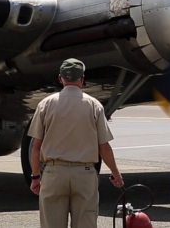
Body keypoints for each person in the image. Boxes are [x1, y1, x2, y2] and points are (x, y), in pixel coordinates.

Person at [27, 58, 124, 228]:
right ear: (82, 79)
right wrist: (115, 173)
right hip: (84, 173)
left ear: (60, 78)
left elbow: (36, 147)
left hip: (54, 173)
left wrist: (35, 177)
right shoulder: (94, 105)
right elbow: (104, 147)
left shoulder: (45, 104)